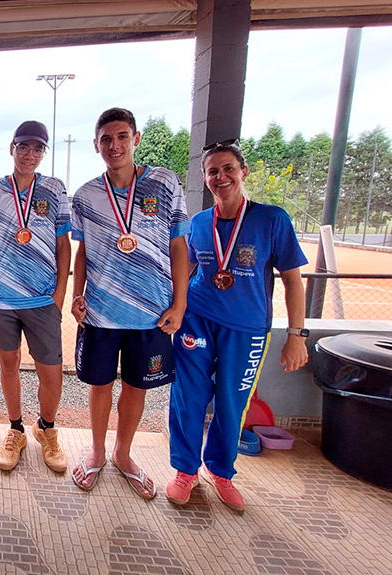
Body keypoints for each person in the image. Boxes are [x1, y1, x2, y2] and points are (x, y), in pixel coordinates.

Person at [166, 139, 309, 512]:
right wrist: (175, 310)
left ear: (243, 172)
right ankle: (185, 470)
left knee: (232, 403)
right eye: (213, 171)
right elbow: (186, 273)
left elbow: (293, 281)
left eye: (228, 168)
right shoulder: (199, 223)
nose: (221, 176)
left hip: (247, 329)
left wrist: (296, 336)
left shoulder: (272, 219)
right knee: (188, 397)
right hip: (196, 321)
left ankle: (222, 472)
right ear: (205, 178)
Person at [69, 107, 190, 499]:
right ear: (96, 145)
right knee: (100, 385)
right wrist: (77, 294)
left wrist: (180, 304)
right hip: (101, 312)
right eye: (106, 139)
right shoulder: (87, 195)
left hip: (153, 314)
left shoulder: (165, 183)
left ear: (136, 139)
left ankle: (123, 454)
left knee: (137, 388)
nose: (114, 145)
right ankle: (98, 452)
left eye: (122, 136)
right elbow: (82, 251)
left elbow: (178, 246)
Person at [0, 120, 71, 474]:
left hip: (43, 297)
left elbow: (64, 243)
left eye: (37, 148)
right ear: (12, 148)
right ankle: (15, 428)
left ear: (43, 152)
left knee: (52, 371)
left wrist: (60, 293)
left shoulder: (55, 190)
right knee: (8, 363)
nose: (30, 154)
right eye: (24, 147)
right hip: (1, 296)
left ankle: (46, 428)